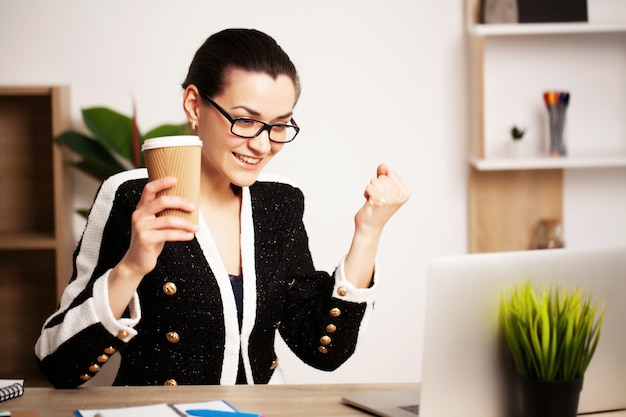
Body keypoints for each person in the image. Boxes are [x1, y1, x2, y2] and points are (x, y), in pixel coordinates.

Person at [35, 28, 410, 388]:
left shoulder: (280, 203)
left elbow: (322, 351)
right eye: (245, 120)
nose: (262, 146)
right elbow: (58, 365)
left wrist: (369, 230)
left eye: (279, 125)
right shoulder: (131, 194)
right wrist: (132, 266)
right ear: (194, 105)